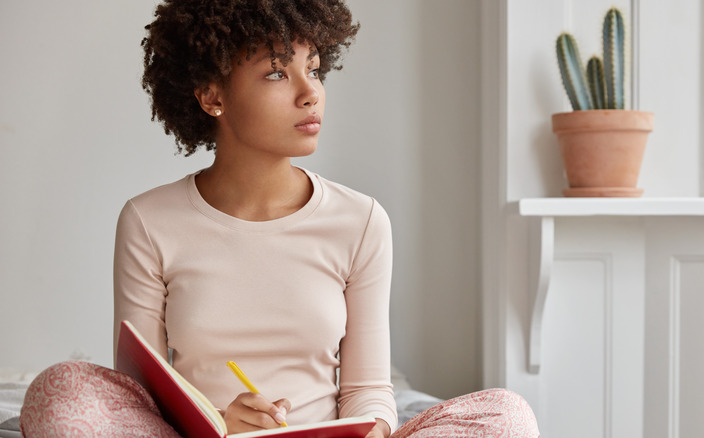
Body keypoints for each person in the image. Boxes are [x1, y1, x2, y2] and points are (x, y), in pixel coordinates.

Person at [20, 1, 540, 437]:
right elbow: (142, 396)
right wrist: (223, 421)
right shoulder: (148, 221)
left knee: (507, 417)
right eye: (276, 71)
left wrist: (372, 430)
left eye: (312, 68)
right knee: (61, 391)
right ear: (211, 95)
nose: (309, 90)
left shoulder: (361, 221)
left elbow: (367, 390)